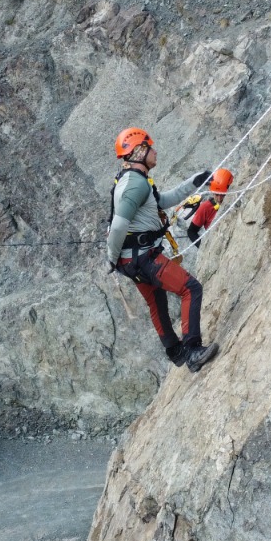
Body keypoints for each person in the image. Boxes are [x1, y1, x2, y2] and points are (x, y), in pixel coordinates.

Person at [106, 128, 219, 372]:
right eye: (150, 147)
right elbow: (117, 227)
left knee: (157, 302)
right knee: (191, 288)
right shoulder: (135, 185)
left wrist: (193, 182)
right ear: (138, 151)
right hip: (143, 259)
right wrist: (110, 260)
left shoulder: (134, 179)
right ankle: (192, 350)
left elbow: (162, 201)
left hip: (132, 262)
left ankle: (175, 351)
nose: (155, 151)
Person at [181, 168, 233, 244]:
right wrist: (203, 248)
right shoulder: (206, 208)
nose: (219, 198)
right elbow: (191, 232)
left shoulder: (235, 198)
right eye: (216, 194)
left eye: (222, 195)